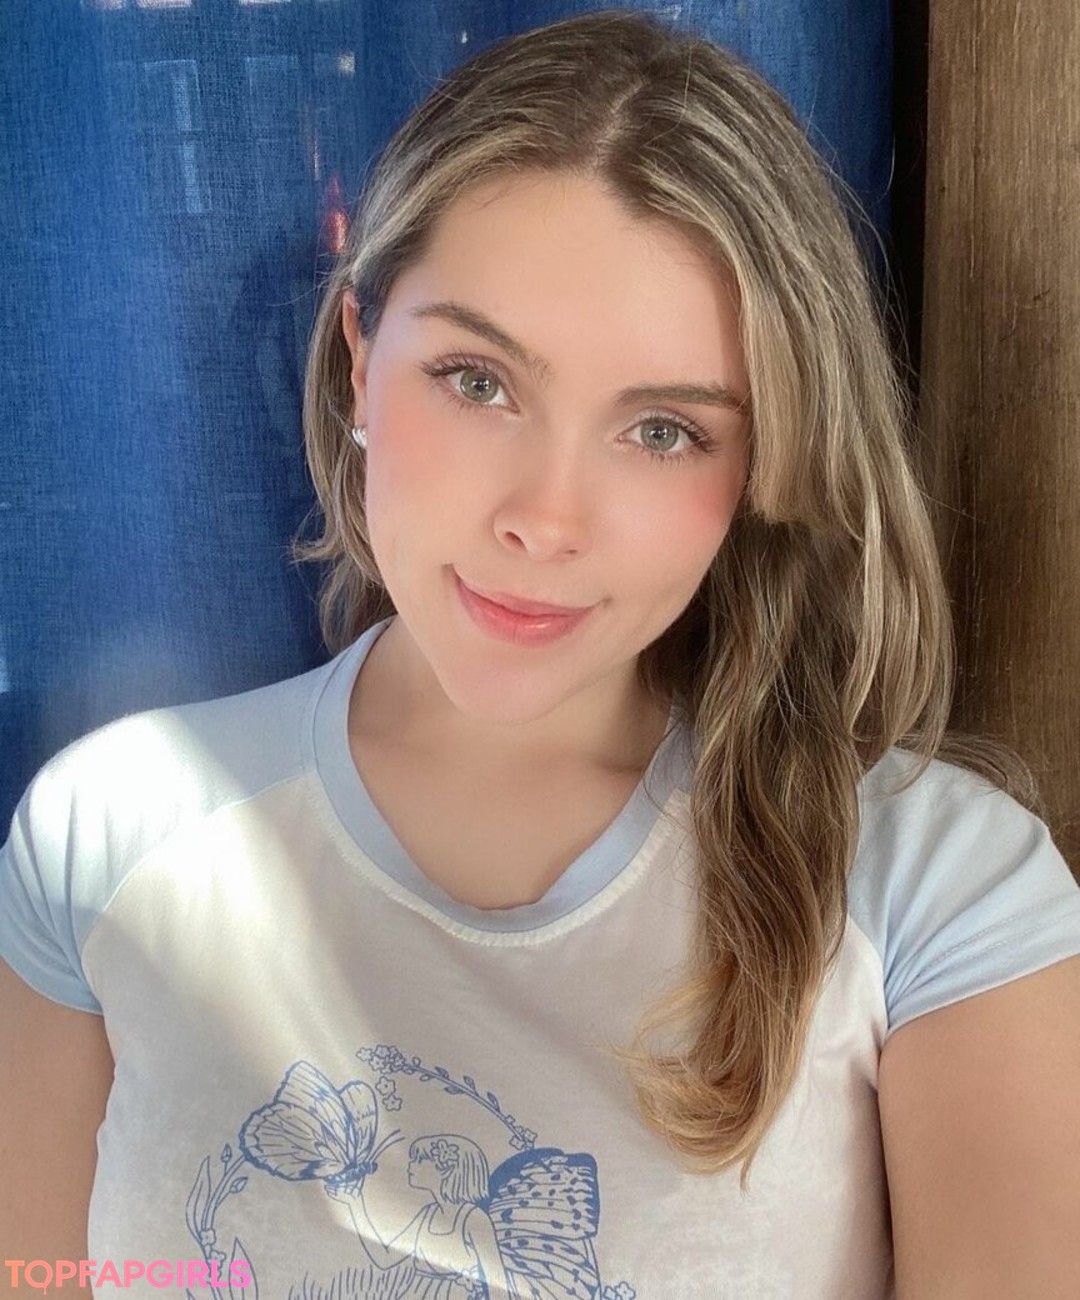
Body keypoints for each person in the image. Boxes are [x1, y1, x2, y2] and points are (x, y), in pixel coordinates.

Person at [3, 10, 1079, 1299]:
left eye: (664, 430)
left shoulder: (940, 891)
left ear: (761, 465)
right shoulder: (104, 835)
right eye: (478, 381)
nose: (546, 520)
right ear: (358, 360)